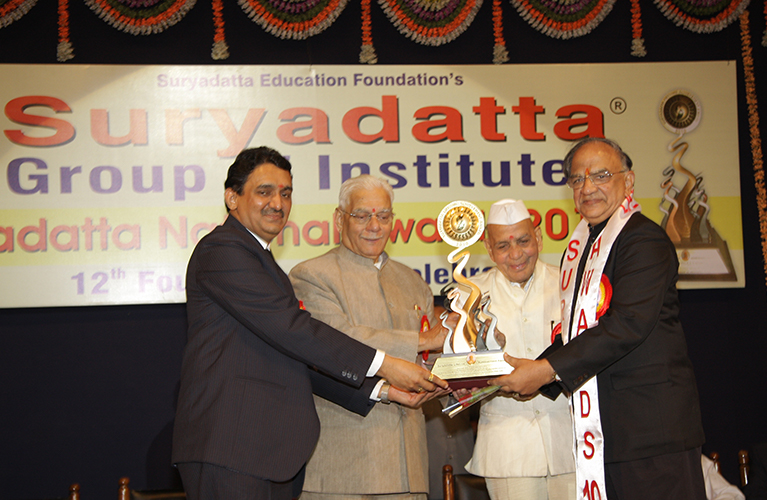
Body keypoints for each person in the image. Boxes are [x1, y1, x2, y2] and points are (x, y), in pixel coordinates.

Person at [171, 148, 447, 500]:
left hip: (265, 454)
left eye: (285, 193)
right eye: (264, 191)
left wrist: (382, 391)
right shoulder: (222, 250)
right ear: (232, 198)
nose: (277, 203)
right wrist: (385, 364)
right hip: (232, 448)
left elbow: (295, 356)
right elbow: (294, 330)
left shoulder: (264, 263)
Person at [490, 137, 706, 500]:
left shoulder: (643, 240)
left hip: (651, 433)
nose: (587, 187)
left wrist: (545, 371)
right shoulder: (581, 250)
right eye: (577, 179)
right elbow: (579, 331)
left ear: (629, 180)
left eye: (601, 175)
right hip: (607, 435)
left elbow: (627, 324)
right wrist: (535, 370)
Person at [289, 174, 459, 500]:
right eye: (362, 215)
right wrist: (423, 340)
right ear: (339, 219)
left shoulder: (413, 283)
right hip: (345, 469)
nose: (374, 226)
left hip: (410, 468)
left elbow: (430, 361)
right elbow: (337, 339)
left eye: (383, 216)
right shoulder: (311, 276)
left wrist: (466, 365)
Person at [458, 199, 575, 500]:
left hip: (571, 442)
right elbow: (459, 369)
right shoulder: (469, 296)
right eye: (503, 246)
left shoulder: (570, 284)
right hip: (507, 449)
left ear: (539, 238)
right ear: (488, 248)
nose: (516, 254)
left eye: (524, 241)